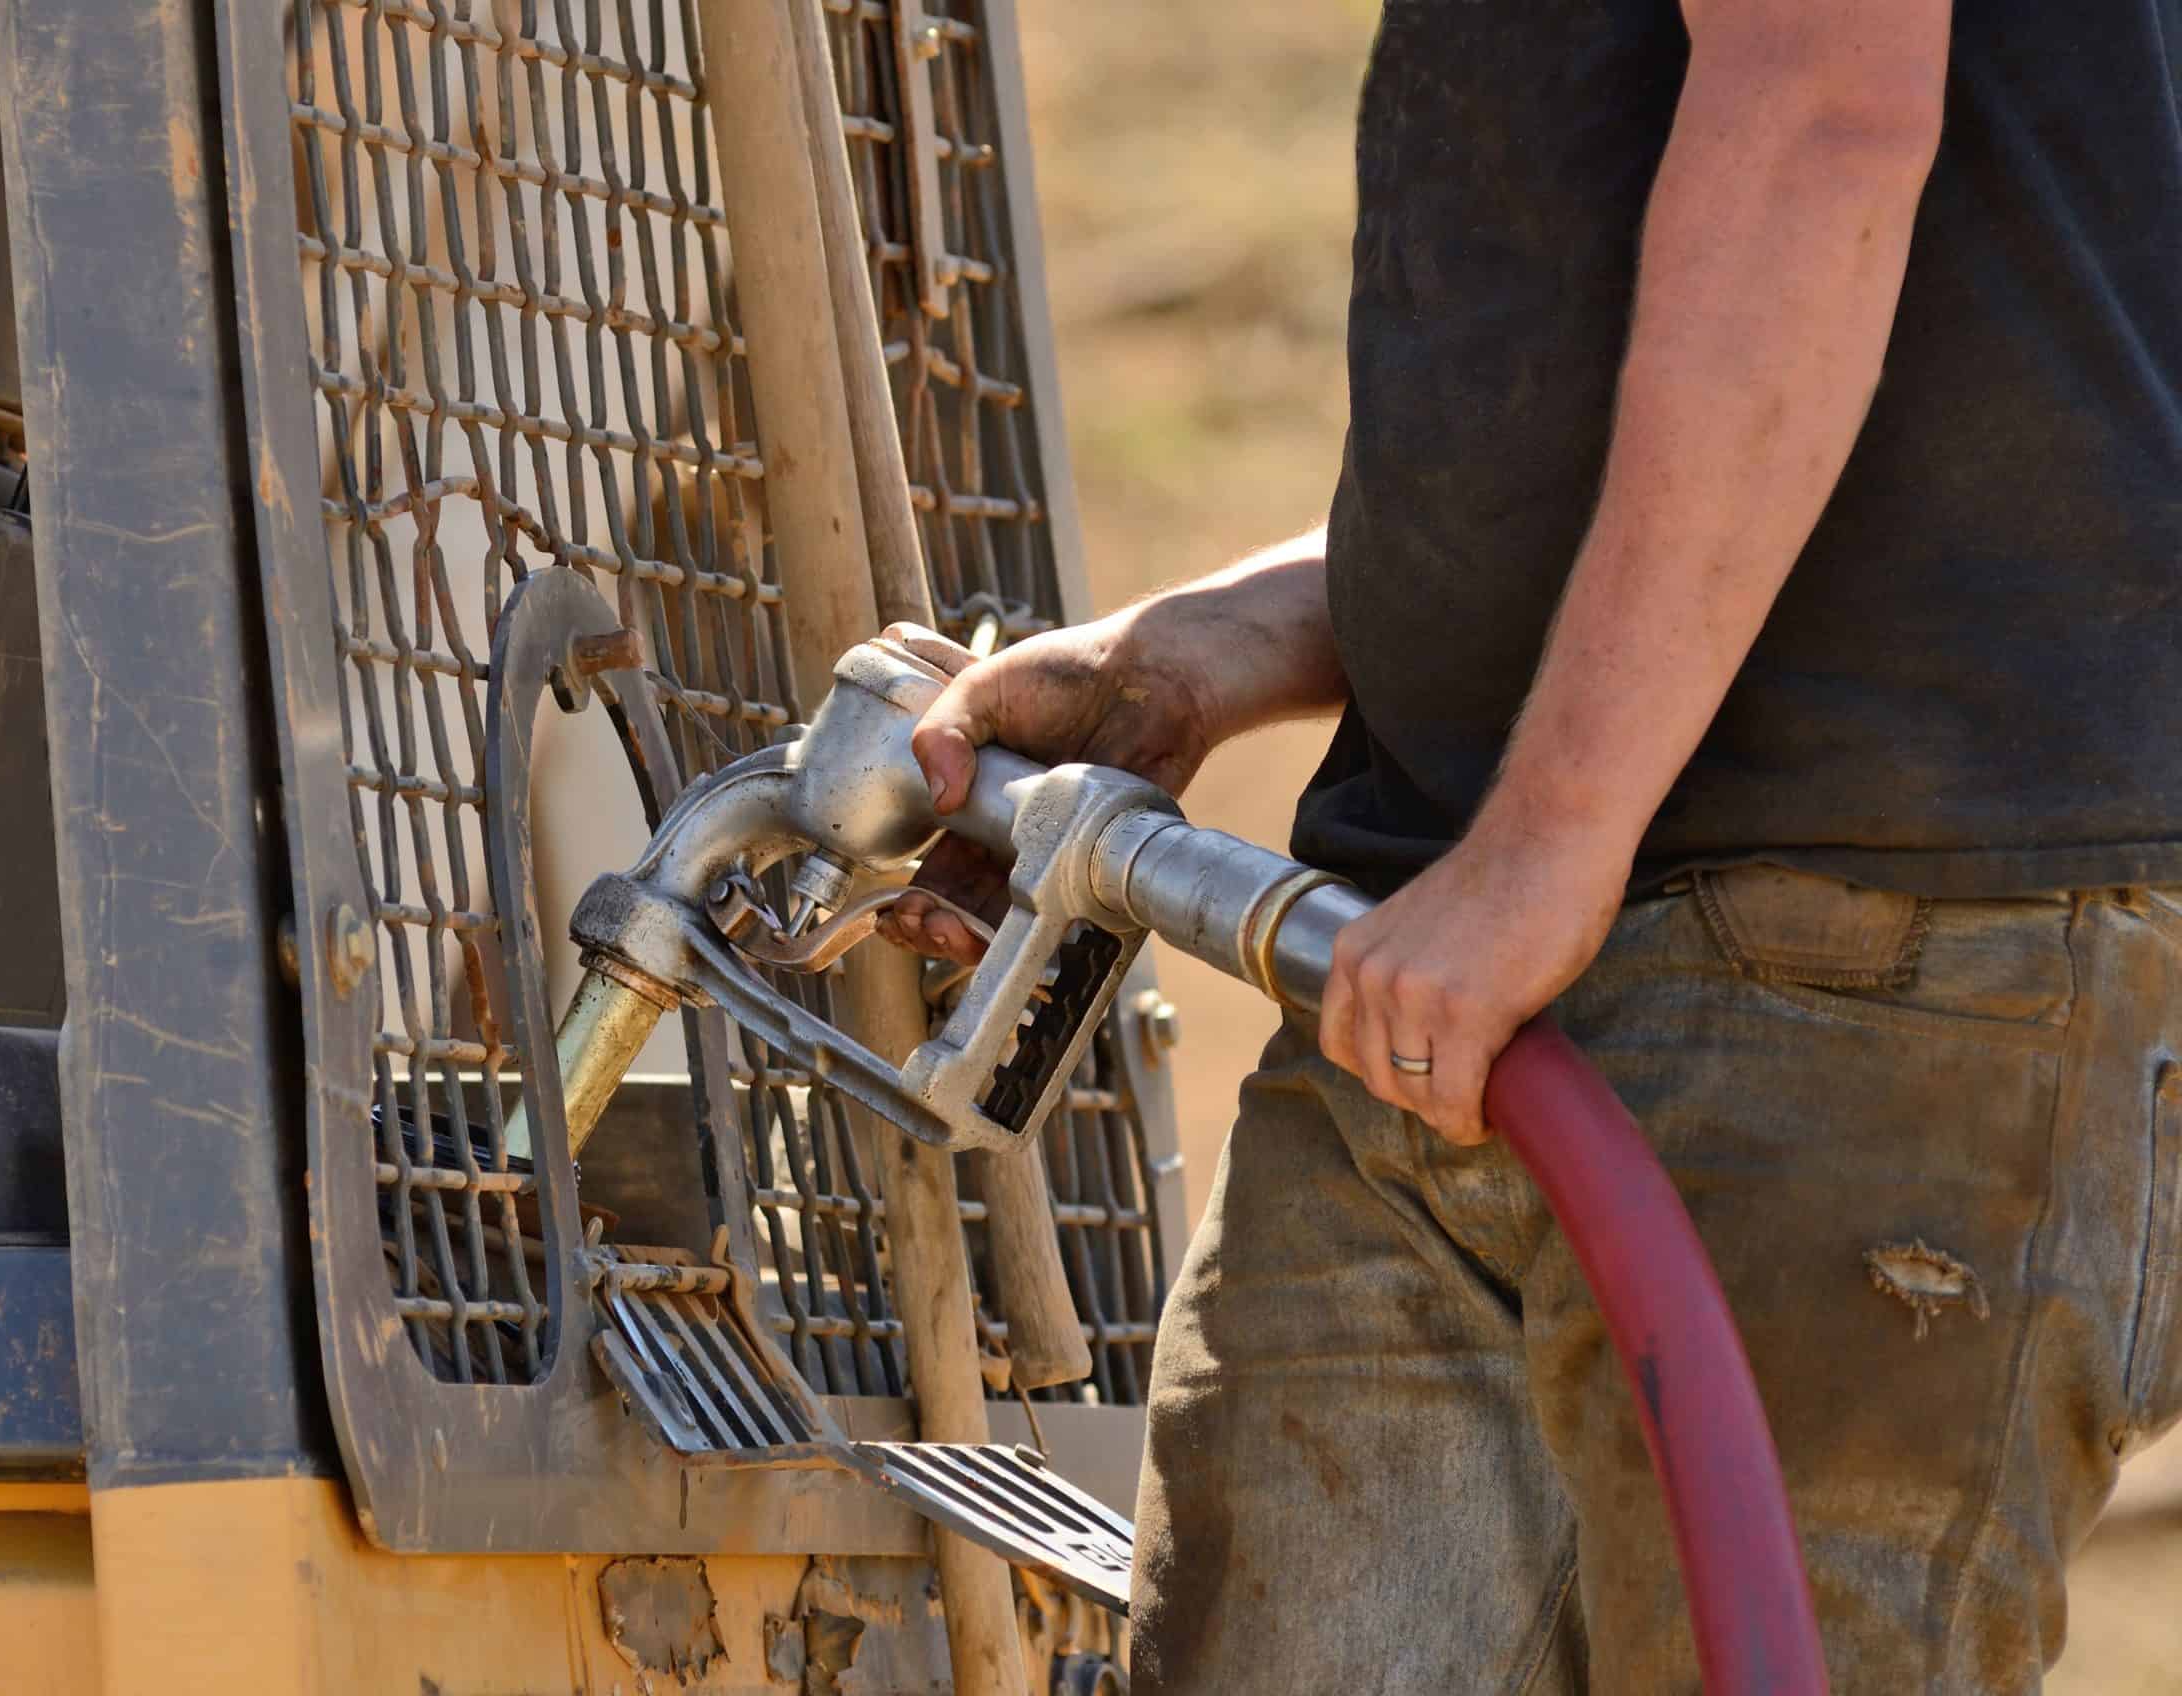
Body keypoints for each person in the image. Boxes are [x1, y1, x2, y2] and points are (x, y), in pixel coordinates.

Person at [879, 1, 2182, 1688]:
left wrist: (1553, 834)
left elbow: (1825, 121)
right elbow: (1677, 365)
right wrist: (1214, 650)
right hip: (1435, 952)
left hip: (1855, 960)